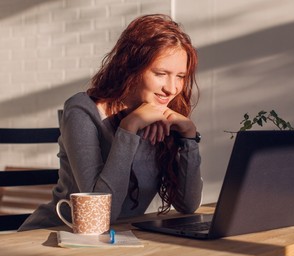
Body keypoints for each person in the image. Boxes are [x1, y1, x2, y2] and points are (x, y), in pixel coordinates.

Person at [19, 14, 203, 231]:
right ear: (132, 68)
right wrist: (129, 128)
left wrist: (189, 137)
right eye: (161, 73)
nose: (171, 88)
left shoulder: (164, 118)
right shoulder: (82, 110)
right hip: (54, 237)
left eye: (180, 76)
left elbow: (188, 205)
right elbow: (101, 216)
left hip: (117, 241)